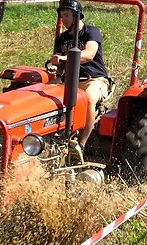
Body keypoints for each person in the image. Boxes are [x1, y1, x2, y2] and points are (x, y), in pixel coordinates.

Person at [48, 0, 111, 152]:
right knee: (45, 93)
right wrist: (53, 67)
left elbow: (89, 54)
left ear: (77, 16)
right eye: (62, 16)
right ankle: (49, 139)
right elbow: (57, 63)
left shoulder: (91, 32)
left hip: (94, 79)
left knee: (89, 98)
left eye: (67, 15)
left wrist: (64, 58)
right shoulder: (61, 38)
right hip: (69, 80)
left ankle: (80, 144)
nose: (64, 19)